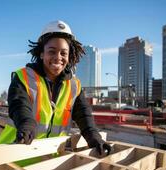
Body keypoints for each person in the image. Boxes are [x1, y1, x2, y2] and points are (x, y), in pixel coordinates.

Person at [6, 20, 111, 155]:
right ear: (42, 53)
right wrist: (26, 125)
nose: (58, 57)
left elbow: (84, 116)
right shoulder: (23, 77)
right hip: (13, 154)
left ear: (69, 56)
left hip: (49, 160)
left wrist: (95, 138)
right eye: (52, 51)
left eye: (63, 53)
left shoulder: (74, 85)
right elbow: (19, 105)